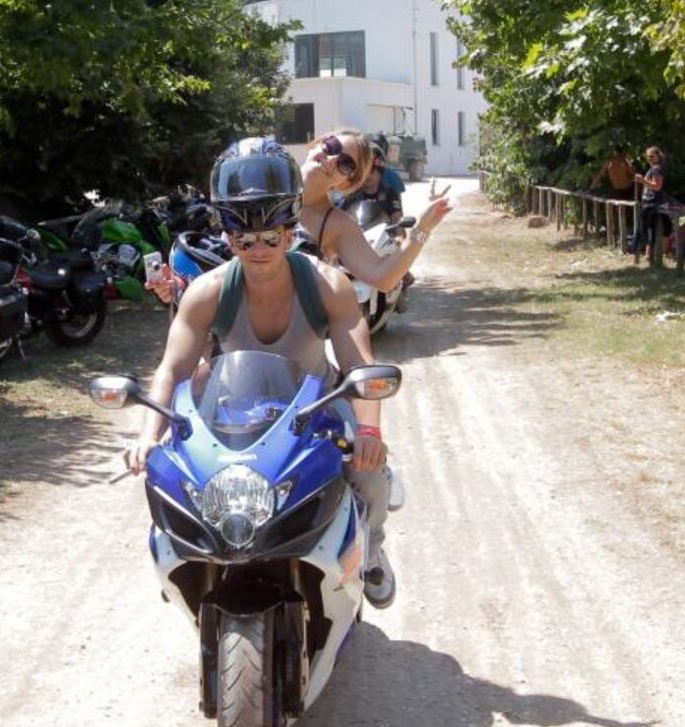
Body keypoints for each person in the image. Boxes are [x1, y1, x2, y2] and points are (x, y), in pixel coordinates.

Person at [125, 139, 398, 607]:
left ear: (291, 231)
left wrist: (369, 431)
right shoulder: (207, 292)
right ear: (227, 236)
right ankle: (192, 569)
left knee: (368, 474)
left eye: (271, 237)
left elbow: (359, 366)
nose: (258, 249)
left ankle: (371, 549)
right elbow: (173, 369)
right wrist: (149, 435)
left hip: (317, 409)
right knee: (177, 481)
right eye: (243, 239)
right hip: (234, 414)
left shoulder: (327, 285)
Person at [293, 127, 452, 296]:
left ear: (347, 183)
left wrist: (422, 229)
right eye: (332, 146)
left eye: (345, 164)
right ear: (315, 145)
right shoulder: (271, 173)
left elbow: (383, 278)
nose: (332, 159)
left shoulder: (337, 225)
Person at [631, 146, 668, 254]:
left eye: (652, 156)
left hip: (652, 203)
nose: (649, 159)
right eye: (648, 157)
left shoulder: (656, 169)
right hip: (650, 202)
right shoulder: (653, 169)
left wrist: (642, 180)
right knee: (647, 230)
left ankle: (636, 252)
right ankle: (646, 253)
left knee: (642, 229)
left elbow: (657, 186)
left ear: (658, 156)